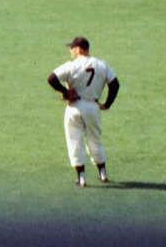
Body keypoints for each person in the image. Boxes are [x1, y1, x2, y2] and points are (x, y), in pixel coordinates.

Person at [47, 36, 119, 187]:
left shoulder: (71, 65)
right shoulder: (102, 65)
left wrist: (66, 92)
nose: (70, 51)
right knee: (95, 140)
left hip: (75, 107)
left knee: (74, 141)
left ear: (79, 49)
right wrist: (107, 104)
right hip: (93, 107)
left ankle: (81, 178)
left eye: (72, 48)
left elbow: (51, 79)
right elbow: (115, 85)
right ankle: (103, 174)